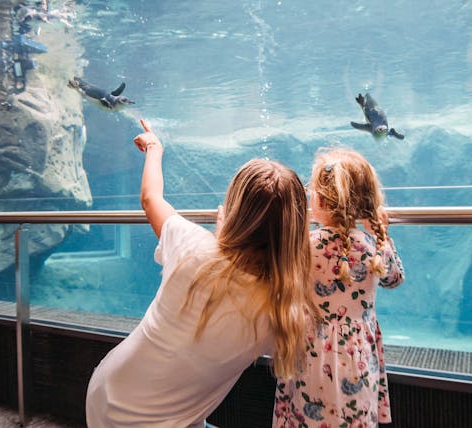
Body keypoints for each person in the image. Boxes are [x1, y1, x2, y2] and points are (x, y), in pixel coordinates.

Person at [86, 119, 317, 427]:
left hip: (107, 399)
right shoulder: (282, 315)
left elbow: (150, 198)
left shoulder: (191, 246)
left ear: (232, 210)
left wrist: (154, 148)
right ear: (296, 230)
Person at [273, 148, 405, 427]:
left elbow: (282, 285)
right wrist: (383, 235)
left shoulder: (305, 244)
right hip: (358, 356)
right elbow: (394, 278)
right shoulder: (371, 246)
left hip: (311, 352)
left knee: (308, 413)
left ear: (319, 199)